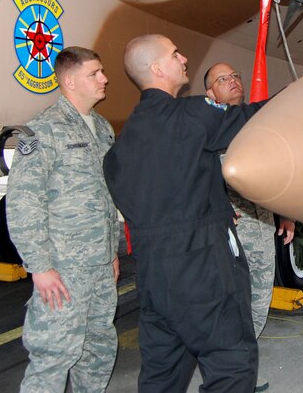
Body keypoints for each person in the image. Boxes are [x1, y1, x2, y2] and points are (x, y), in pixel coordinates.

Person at [103, 34, 265, 393]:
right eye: (175, 53)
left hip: (153, 281)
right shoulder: (192, 115)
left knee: (162, 375)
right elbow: (255, 118)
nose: (184, 58)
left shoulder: (120, 149)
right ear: (158, 68)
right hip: (204, 271)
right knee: (232, 367)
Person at [6, 46, 120, 393]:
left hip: (100, 264)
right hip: (63, 268)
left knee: (98, 348)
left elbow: (107, 195)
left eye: (101, 72)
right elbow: (23, 202)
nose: (104, 79)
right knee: (54, 355)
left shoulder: (102, 127)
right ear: (70, 81)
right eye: (94, 74)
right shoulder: (42, 131)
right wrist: (39, 266)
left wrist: (112, 251)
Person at [204, 62, 295, 339]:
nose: (232, 80)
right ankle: (230, 367)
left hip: (263, 227)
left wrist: (287, 212)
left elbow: (274, 172)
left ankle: (245, 361)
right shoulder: (206, 130)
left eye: (235, 75)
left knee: (260, 297)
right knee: (230, 300)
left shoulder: (258, 123)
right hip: (231, 233)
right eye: (222, 79)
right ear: (211, 93)